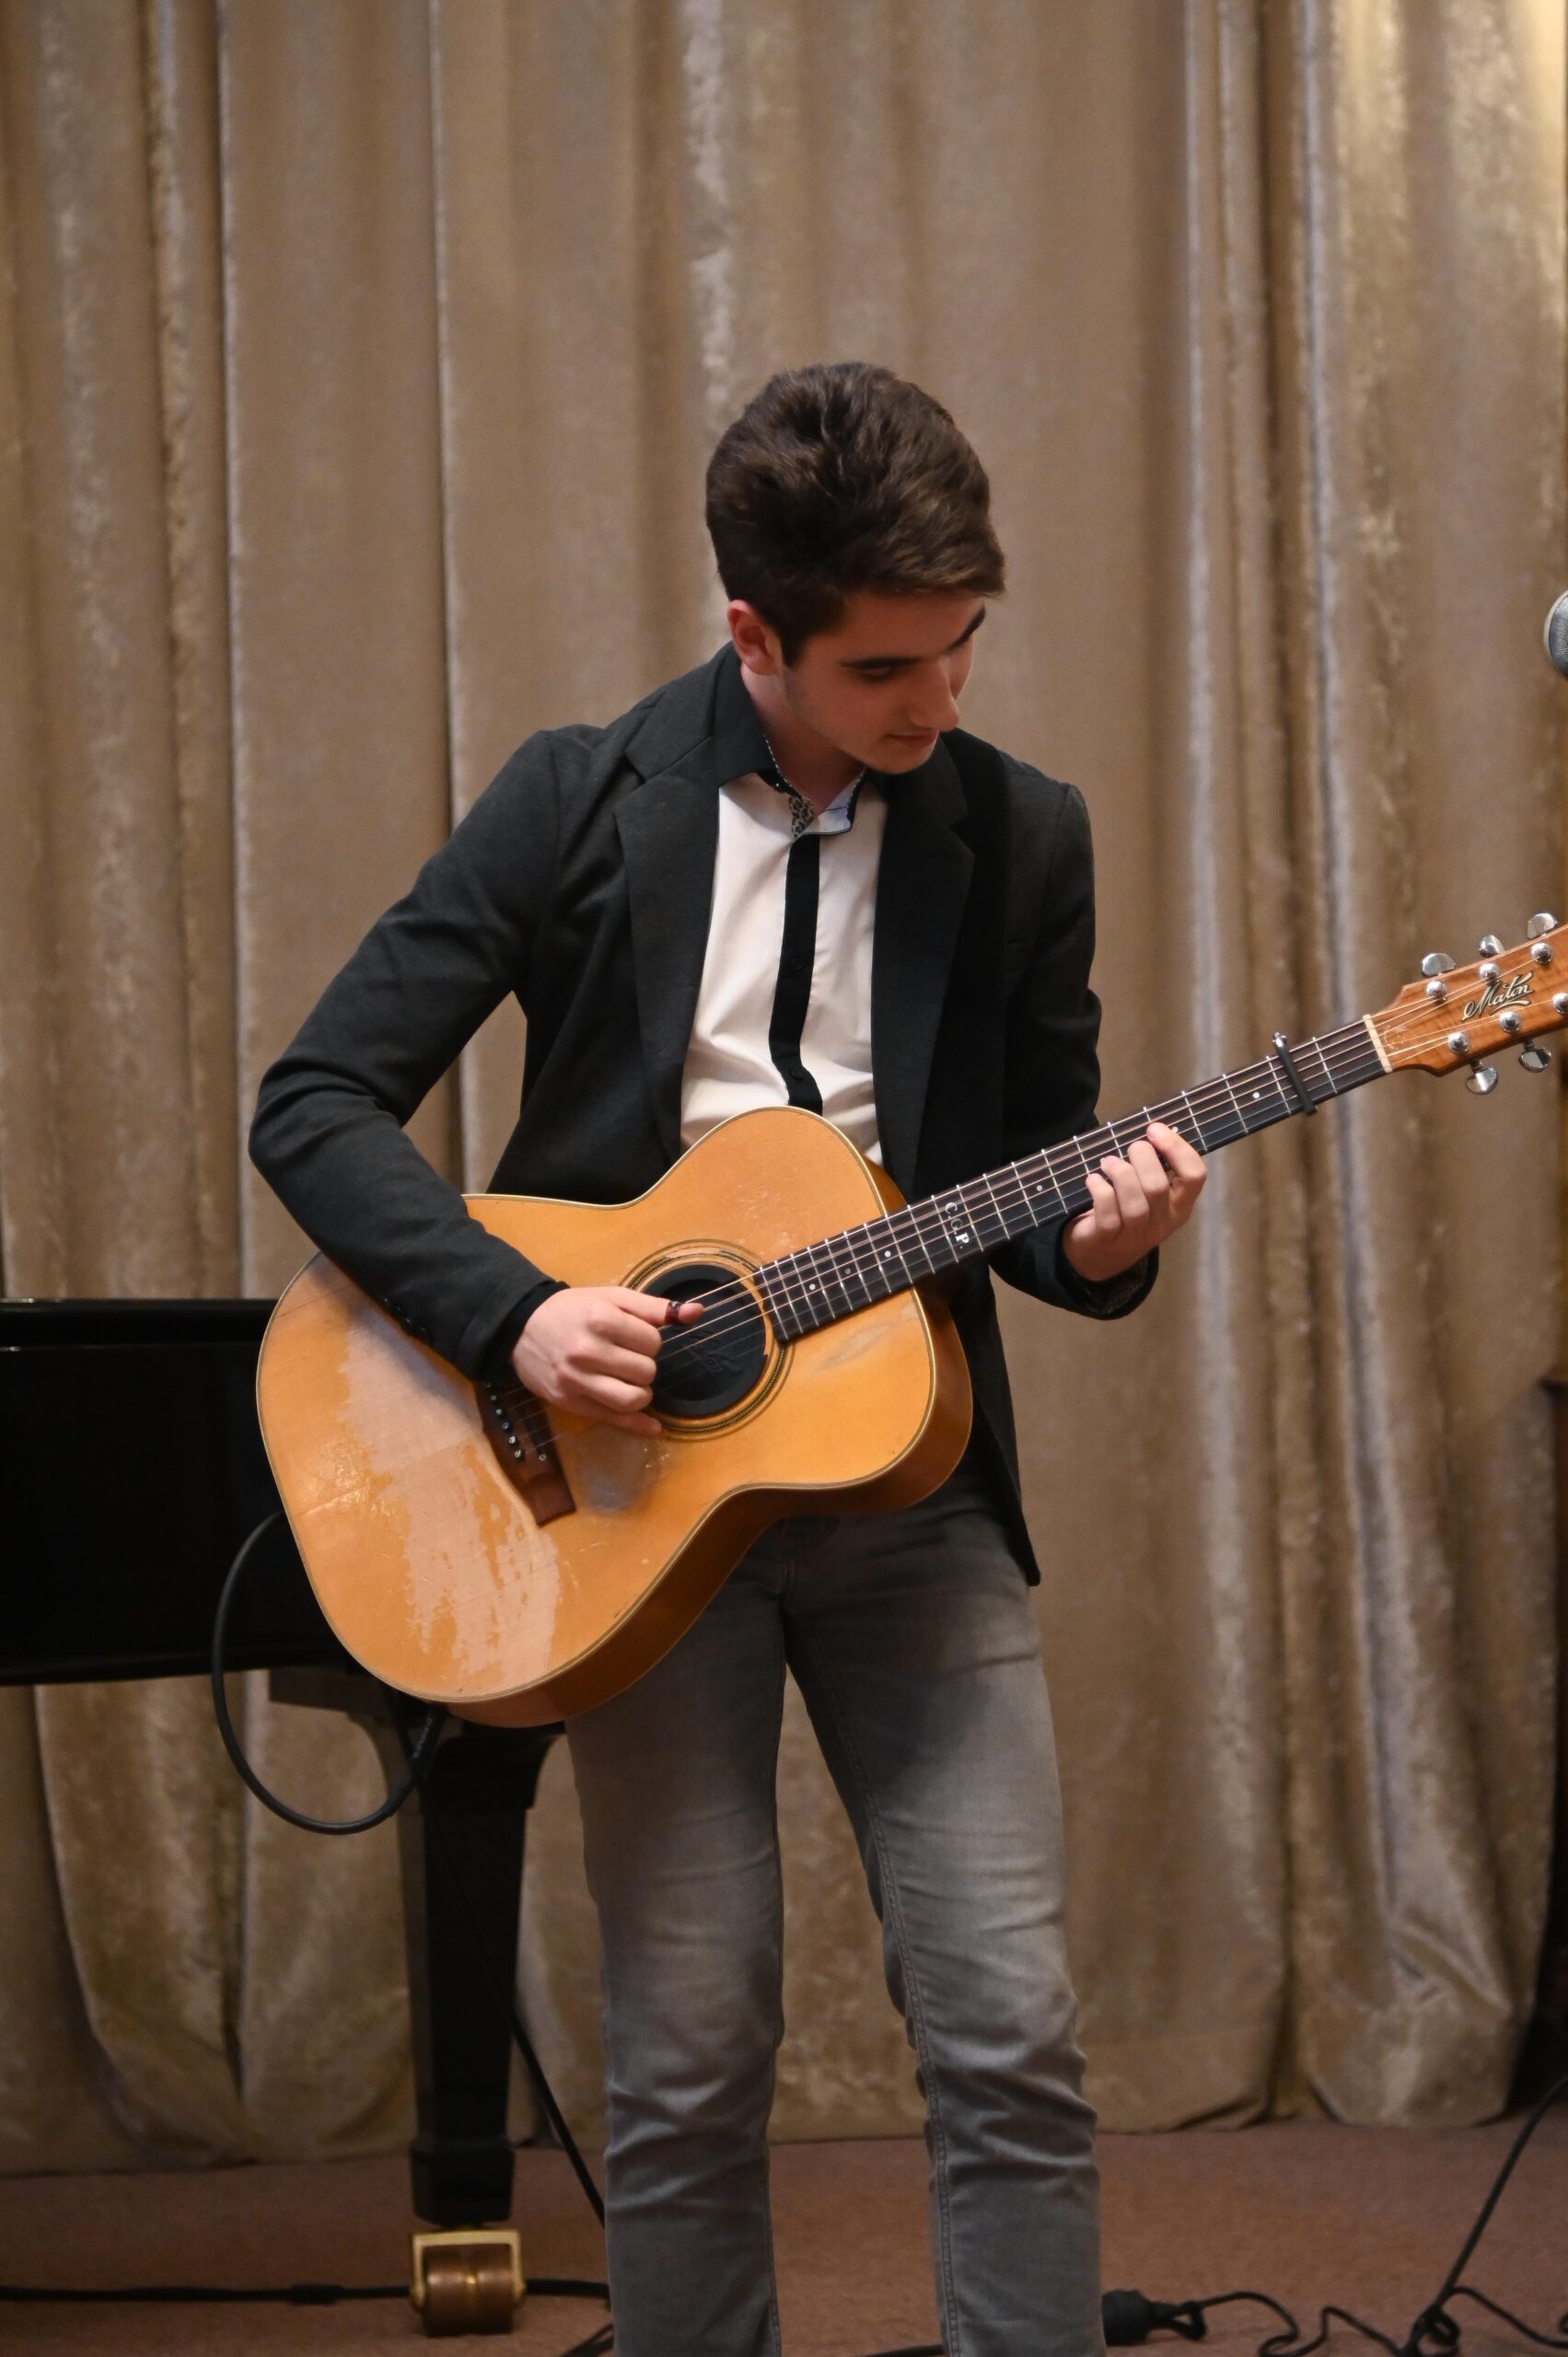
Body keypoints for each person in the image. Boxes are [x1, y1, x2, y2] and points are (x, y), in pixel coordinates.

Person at [250, 360, 1206, 2357]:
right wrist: (515, 1312)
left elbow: (1040, 1179)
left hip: (911, 1494)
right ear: (755, 635)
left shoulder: (1022, 834)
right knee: (687, 2056)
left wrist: (1103, 1240)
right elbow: (316, 1101)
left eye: (961, 644)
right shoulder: (575, 795)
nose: (939, 700)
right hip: (623, 1489)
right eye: (884, 668)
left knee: (1013, 2030)